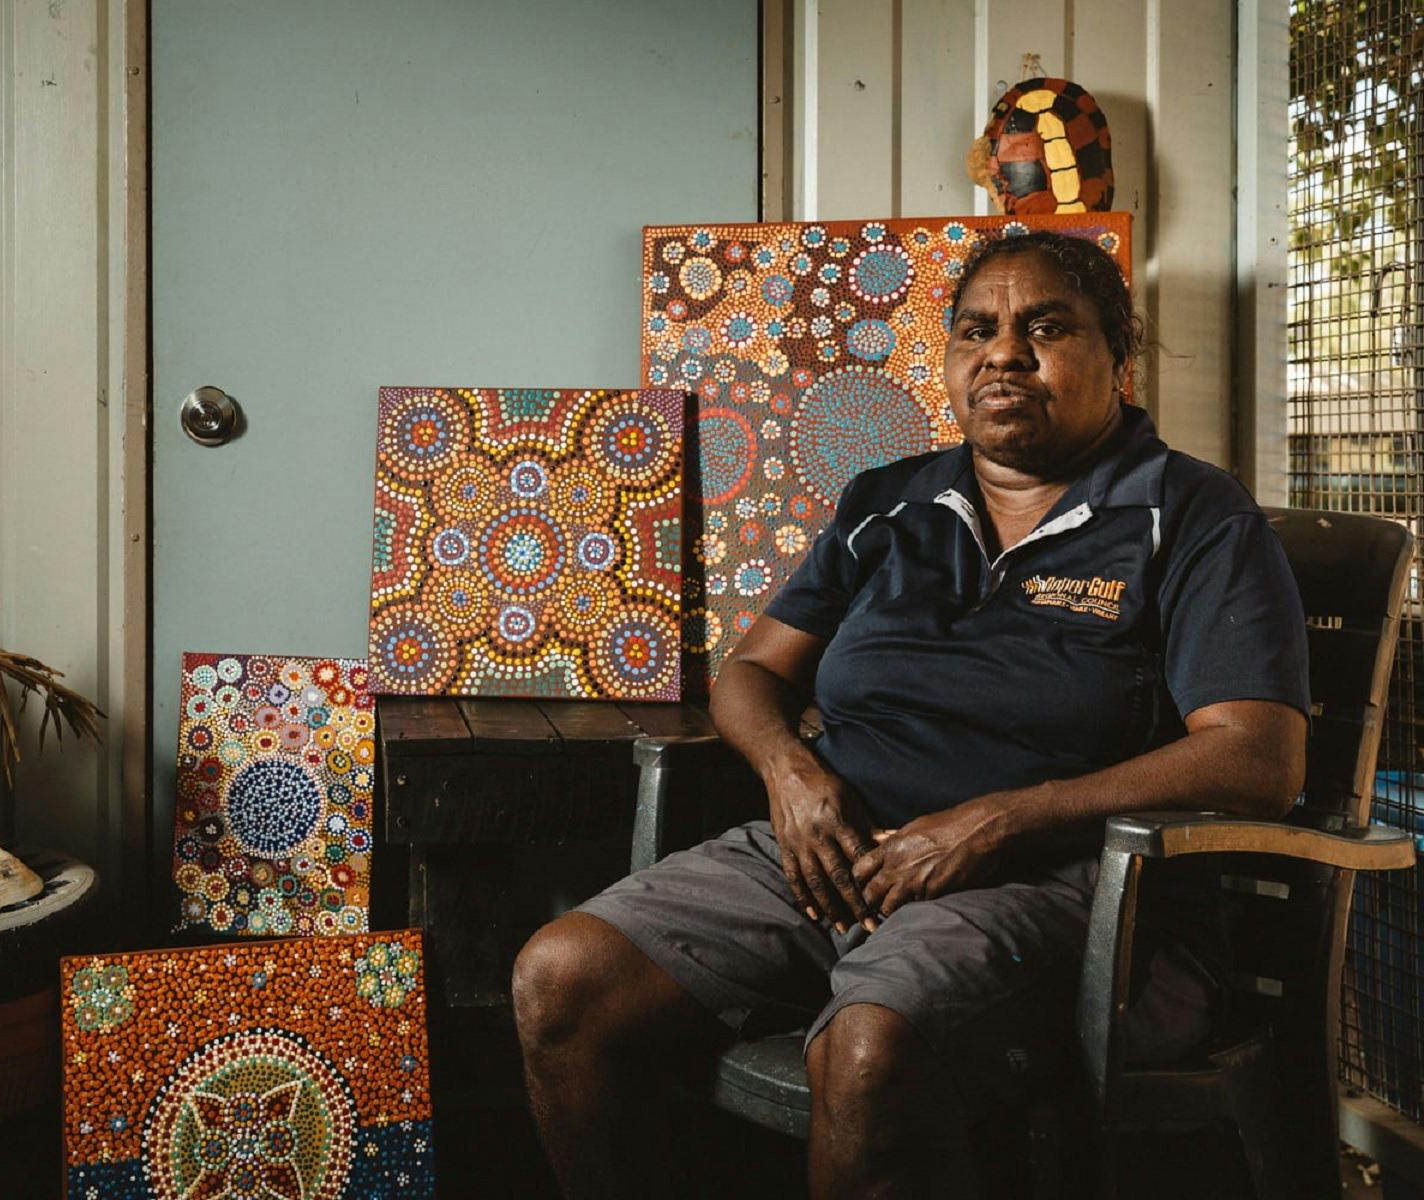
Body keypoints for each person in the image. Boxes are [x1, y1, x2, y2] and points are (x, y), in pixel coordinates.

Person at [511, 231, 1310, 1198]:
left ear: (1119, 356)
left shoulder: (1191, 515)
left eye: (1046, 327)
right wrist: (790, 775)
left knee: (869, 1051)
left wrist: (1002, 818)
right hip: (834, 856)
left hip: (1066, 887)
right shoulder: (889, 502)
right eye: (976, 330)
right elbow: (751, 671)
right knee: (564, 978)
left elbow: (1256, 756)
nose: (1004, 353)